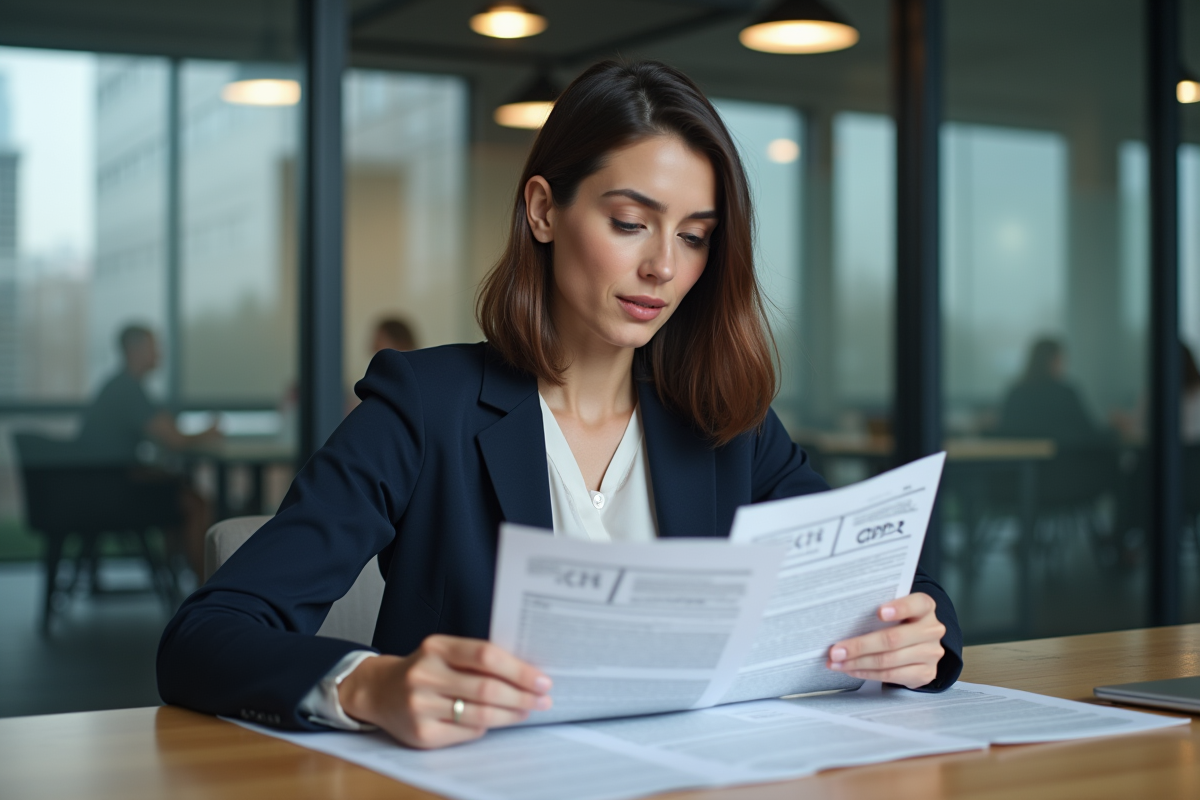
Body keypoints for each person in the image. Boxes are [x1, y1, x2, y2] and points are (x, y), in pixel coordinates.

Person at [157, 61, 961, 750]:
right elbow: (204, 638)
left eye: (693, 237)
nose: (662, 268)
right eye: (629, 223)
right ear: (543, 210)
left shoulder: (726, 424)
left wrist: (921, 631)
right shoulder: (424, 408)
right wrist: (369, 686)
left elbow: (883, 578)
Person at [78, 325, 219, 574]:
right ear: (135, 350)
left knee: (175, 485)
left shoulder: (121, 386)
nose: (159, 355)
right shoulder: (128, 390)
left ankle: (174, 577)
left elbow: (163, 430)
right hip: (112, 493)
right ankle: (204, 584)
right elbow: (173, 439)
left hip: (97, 487)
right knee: (195, 503)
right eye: (154, 347)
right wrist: (208, 432)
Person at [996, 337, 1113, 446]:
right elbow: (1090, 434)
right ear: (1054, 360)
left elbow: (1004, 432)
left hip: (1021, 464)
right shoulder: (1066, 394)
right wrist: (1114, 429)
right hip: (1066, 463)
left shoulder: (1016, 393)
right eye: (1061, 360)